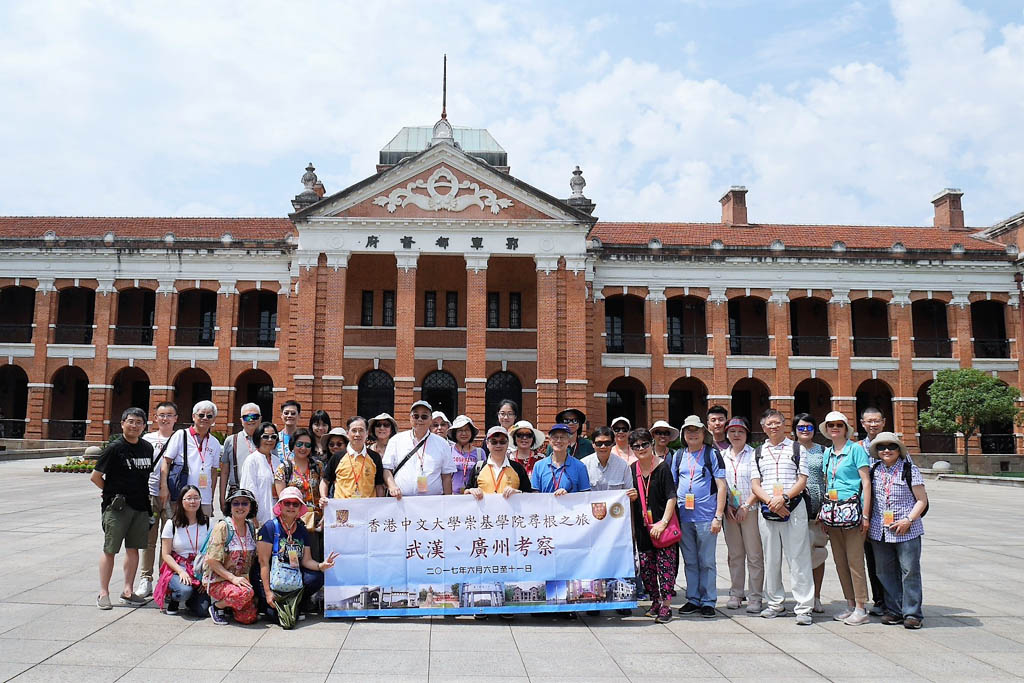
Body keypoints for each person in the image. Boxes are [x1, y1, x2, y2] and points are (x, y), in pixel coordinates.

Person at [750, 408, 814, 625]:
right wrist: (772, 502)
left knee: (798, 558)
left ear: (784, 424)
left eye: (777, 423)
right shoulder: (758, 452)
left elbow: (802, 479)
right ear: (763, 427)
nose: (773, 427)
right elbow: (755, 484)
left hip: (794, 507)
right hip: (768, 510)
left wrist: (784, 498)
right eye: (769, 424)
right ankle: (775, 603)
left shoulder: (797, 448)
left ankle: (804, 607)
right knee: (771, 559)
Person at [91, 407, 153, 609]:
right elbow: (96, 476)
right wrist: (110, 493)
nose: (134, 425)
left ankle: (128, 590)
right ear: (123, 423)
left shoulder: (146, 448)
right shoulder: (114, 448)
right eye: (131, 421)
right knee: (110, 549)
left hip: (141, 506)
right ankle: (103, 593)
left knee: (133, 549)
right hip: (118, 508)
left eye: (139, 422)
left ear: (144, 426)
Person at [867, 432, 928, 629]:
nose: (886, 450)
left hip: (906, 529)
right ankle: (893, 610)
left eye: (891, 446)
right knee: (884, 571)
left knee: (909, 571)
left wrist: (908, 520)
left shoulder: (910, 469)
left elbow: (921, 500)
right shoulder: (874, 470)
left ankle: (912, 613)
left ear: (898, 450)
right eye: (881, 447)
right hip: (880, 529)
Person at [256, 487, 339, 629]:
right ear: (280, 505)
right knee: (278, 618)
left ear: (300, 507)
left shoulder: (301, 530)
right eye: (287, 503)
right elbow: (263, 563)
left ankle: (298, 602)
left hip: (292, 577)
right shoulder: (269, 528)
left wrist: (321, 566)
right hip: (271, 579)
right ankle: (267, 603)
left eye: (295, 504)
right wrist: (268, 593)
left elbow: (306, 560)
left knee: (317, 577)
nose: (291, 507)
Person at [820, 410, 873, 626]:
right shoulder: (828, 453)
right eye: (831, 425)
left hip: (852, 512)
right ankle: (850, 603)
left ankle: (861, 606)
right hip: (833, 512)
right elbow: (827, 482)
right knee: (840, 561)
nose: (835, 428)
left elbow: (866, 483)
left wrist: (866, 514)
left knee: (855, 561)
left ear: (846, 429)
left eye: (839, 425)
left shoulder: (856, 450)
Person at [672, 416, 726, 618]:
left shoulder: (712, 454)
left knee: (707, 561)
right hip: (685, 517)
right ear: (683, 435)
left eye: (696, 430)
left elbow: (722, 486)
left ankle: (708, 601)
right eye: (688, 431)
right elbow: (674, 485)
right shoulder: (678, 456)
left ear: (704, 433)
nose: (692, 434)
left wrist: (718, 516)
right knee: (690, 561)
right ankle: (693, 598)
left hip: (706, 517)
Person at [625, 428, 678, 623]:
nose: (641, 448)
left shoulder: (662, 467)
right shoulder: (632, 469)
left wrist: (663, 523)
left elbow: (672, 497)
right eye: (636, 446)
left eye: (644, 444)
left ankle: (666, 605)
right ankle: (655, 601)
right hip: (643, 527)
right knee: (647, 567)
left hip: (662, 526)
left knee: (665, 566)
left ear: (651, 444)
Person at [721, 417, 764, 614]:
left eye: (740, 431)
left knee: (754, 555)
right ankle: (736, 592)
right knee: (735, 554)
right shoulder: (722, 455)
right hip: (730, 511)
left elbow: (760, 484)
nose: (736, 435)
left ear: (747, 434)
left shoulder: (755, 455)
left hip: (751, 510)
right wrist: (727, 505)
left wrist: (746, 505)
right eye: (732, 431)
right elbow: (720, 485)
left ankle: (755, 596)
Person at [138, 400, 178, 598]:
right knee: (149, 539)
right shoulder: (147, 439)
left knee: (169, 540)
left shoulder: (181, 439)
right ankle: (146, 578)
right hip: (150, 494)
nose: (165, 418)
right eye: (161, 415)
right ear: (155, 418)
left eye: (169, 415)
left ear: (176, 419)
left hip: (173, 497)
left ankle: (165, 580)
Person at [204, 488, 259, 625]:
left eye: (245, 503)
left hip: (242, 581)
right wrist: (233, 578)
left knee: (249, 618)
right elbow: (211, 560)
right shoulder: (223, 527)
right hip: (219, 579)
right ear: (230, 506)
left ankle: (230, 605)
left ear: (250, 506)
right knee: (244, 594)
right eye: (236, 503)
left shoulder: (251, 527)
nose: (240, 507)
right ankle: (217, 607)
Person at [159, 400, 223, 518]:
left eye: (209, 416)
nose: (205, 418)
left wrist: (211, 497)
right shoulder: (181, 435)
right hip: (181, 495)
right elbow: (166, 461)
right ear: (194, 417)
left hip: (204, 499)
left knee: (202, 533)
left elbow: (214, 472)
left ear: (213, 420)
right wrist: (164, 487)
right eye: (201, 415)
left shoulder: (215, 443)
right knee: (179, 530)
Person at [154, 485, 211, 617]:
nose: (193, 502)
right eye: (189, 498)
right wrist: (181, 572)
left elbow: (212, 552)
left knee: (202, 611)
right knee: (184, 590)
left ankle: (191, 600)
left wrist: (206, 576)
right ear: (181, 501)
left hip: (200, 570)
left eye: (196, 498)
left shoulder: (208, 523)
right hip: (178, 569)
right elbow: (166, 554)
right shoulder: (171, 524)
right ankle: (175, 598)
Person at [382, 401, 455, 498]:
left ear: (430, 420)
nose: (419, 419)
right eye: (416, 416)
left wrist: (447, 501)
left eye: (424, 416)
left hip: (432, 502)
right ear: (410, 418)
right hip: (401, 501)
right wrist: (392, 486)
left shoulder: (442, 444)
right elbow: (387, 469)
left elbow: (446, 476)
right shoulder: (396, 440)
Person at [794, 413, 829, 613]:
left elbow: (828, 479)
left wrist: (826, 506)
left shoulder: (822, 451)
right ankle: (803, 595)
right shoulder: (791, 448)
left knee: (818, 553)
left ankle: (816, 596)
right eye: (801, 427)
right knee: (799, 556)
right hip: (795, 508)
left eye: (808, 427)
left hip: (817, 509)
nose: (805, 431)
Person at [274, 428, 322, 561]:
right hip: (293, 523)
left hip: (314, 523)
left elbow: (323, 491)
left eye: (307, 445)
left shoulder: (318, 467)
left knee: (314, 562)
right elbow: (282, 499)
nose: (303, 448)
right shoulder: (284, 468)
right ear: (293, 445)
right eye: (299, 444)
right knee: (293, 562)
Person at [859, 406, 889, 615]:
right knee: (871, 557)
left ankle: (894, 599)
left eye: (876, 420)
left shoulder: (893, 445)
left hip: (890, 509)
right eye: (869, 421)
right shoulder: (858, 448)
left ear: (883, 422)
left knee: (891, 558)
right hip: (869, 508)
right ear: (862, 423)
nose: (873, 424)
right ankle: (880, 600)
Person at [322, 416, 385, 499]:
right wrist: (323, 497)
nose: (357, 434)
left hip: (367, 509)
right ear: (348, 434)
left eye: (361, 430)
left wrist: (380, 503)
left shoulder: (375, 457)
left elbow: (379, 485)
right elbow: (325, 481)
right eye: (354, 431)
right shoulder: (337, 457)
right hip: (343, 509)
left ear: (366, 433)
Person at [219, 402, 261, 512]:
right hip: (237, 495)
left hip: (261, 494)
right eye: (247, 417)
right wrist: (222, 497)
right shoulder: (232, 440)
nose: (251, 420)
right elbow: (224, 472)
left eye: (255, 417)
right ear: (241, 420)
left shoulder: (267, 440)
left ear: (260, 419)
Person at [239, 421, 280, 527]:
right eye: (265, 436)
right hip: (259, 518)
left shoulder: (277, 461)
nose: (270, 440)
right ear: (258, 438)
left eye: (273, 437)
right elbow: (247, 491)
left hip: (277, 517)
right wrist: (253, 518)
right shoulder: (251, 461)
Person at [531, 424, 591, 494]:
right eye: (555, 437)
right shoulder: (539, 466)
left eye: (562, 437)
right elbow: (535, 493)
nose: (559, 441)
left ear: (569, 441)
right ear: (550, 441)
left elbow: (586, 495)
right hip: (545, 504)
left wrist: (568, 496)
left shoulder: (580, 466)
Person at [582, 426, 632, 491]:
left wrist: (632, 495)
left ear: (612, 444)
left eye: (607, 443)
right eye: (599, 443)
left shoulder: (623, 466)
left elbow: (628, 492)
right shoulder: (583, 465)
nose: (603, 446)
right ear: (593, 444)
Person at [448, 415, 485, 495]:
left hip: (473, 496)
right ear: (455, 433)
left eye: (467, 430)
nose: (464, 433)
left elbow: (484, 476)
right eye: (460, 430)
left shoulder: (480, 452)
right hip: (452, 496)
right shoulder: (448, 451)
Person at [275, 400, 302, 467]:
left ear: (299, 416)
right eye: (286, 413)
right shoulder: (275, 437)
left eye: (293, 413)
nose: (289, 416)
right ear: (281, 415)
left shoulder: (303, 438)